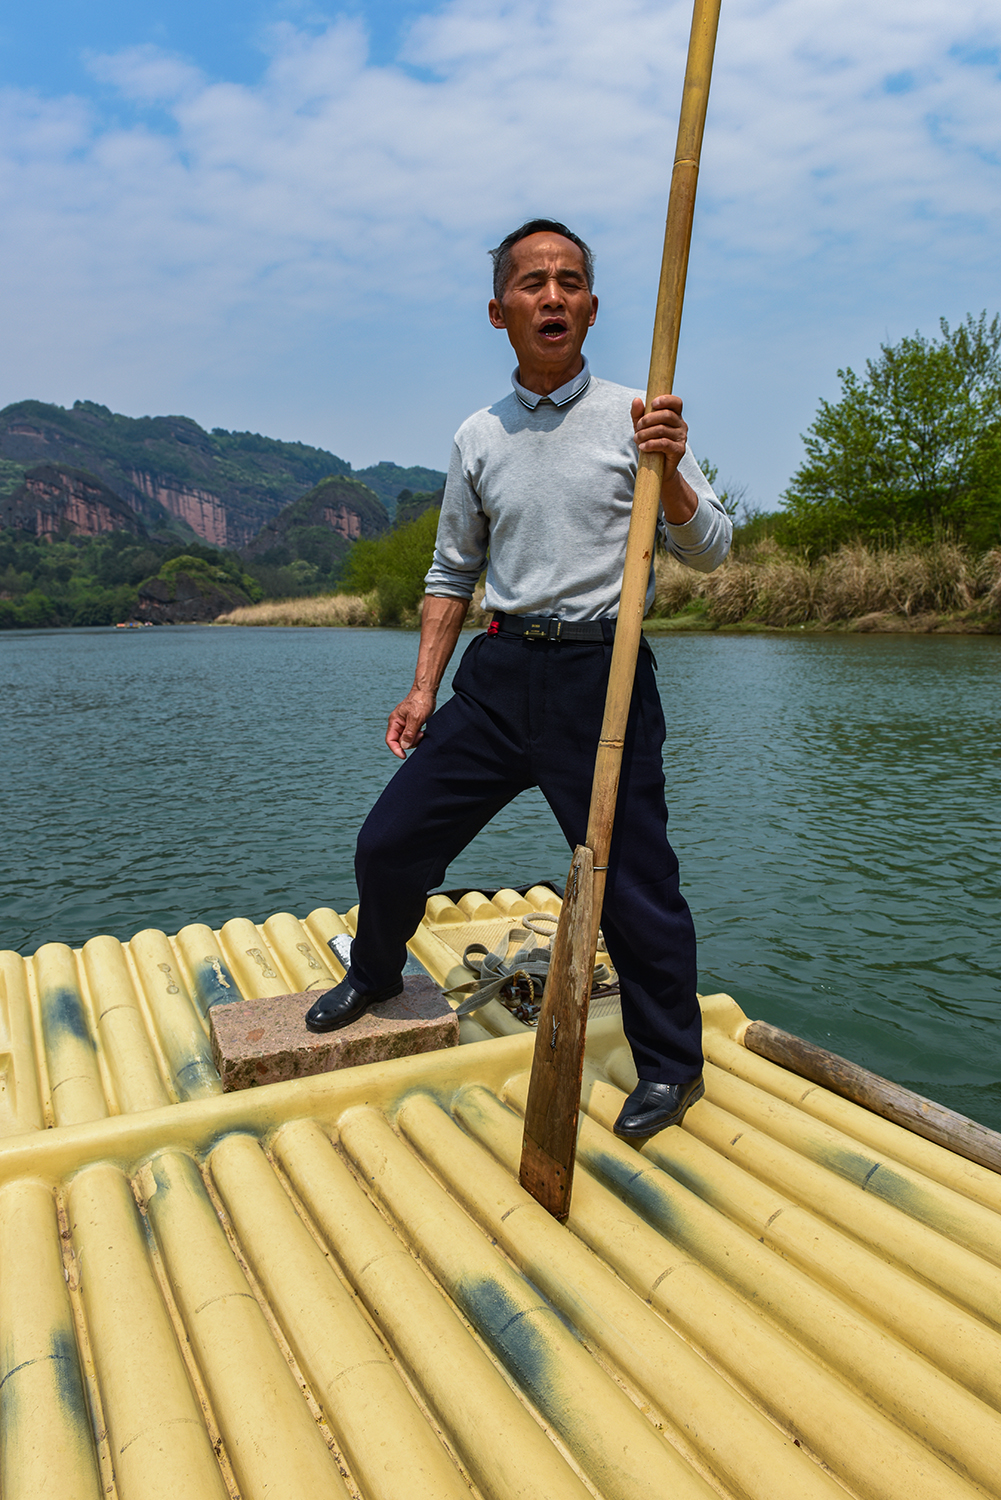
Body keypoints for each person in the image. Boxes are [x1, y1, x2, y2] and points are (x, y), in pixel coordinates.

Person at [306, 218, 732, 1137]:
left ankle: (669, 1067)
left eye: (569, 281)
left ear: (589, 306)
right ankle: (376, 972)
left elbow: (712, 554)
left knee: (634, 881)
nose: (552, 296)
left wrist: (676, 476)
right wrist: (423, 687)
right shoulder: (477, 436)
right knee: (390, 843)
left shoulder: (639, 414)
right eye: (532, 283)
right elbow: (449, 571)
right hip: (497, 673)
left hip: (602, 675)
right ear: (498, 312)